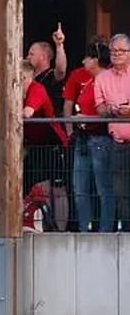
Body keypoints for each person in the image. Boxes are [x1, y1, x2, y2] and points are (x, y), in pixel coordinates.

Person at [70, 40, 114, 232]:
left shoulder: (108, 80)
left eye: (87, 58)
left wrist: (86, 117)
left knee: (103, 188)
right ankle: (84, 229)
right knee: (80, 188)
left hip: (100, 137)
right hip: (83, 137)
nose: (83, 61)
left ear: (95, 60)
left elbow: (111, 111)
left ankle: (105, 229)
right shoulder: (89, 82)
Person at [22, 61, 68, 231]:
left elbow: (27, 112)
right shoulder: (16, 91)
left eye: (21, 79)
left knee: (57, 188)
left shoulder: (36, 89)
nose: (18, 84)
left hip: (53, 142)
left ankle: (61, 229)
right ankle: (45, 224)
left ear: (28, 77)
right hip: (33, 144)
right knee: (39, 186)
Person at [95, 34, 130, 229]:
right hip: (118, 143)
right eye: (113, 51)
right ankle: (126, 232)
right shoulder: (101, 78)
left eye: (121, 51)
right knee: (120, 192)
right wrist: (112, 110)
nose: (116, 54)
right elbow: (99, 108)